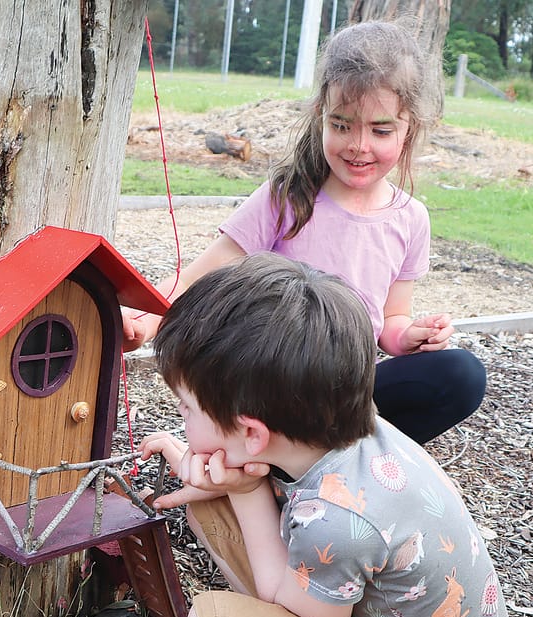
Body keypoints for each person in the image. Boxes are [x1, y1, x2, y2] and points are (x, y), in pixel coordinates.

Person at [139, 253, 516, 617]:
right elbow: (245, 479)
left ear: (252, 432)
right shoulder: (351, 427)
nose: (181, 418)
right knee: (211, 503)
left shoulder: (338, 521)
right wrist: (200, 464)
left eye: (186, 409)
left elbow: (288, 603)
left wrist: (246, 492)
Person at [123, 20, 486, 445]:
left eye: (381, 130)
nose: (359, 145)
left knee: (461, 375)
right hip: (273, 385)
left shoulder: (411, 218)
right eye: (342, 125)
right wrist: (145, 320)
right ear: (321, 116)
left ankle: (341, 468)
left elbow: (390, 318)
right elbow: (198, 275)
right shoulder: (289, 197)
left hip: (347, 390)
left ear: (411, 128)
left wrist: (408, 337)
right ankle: (294, 464)